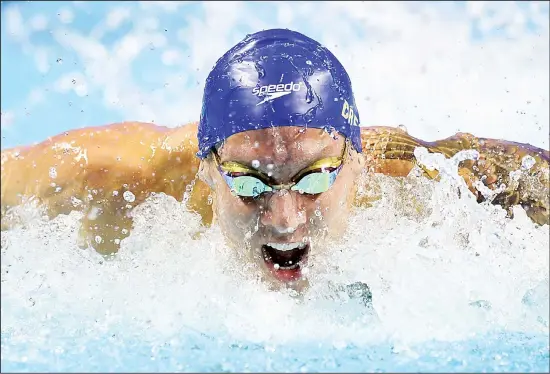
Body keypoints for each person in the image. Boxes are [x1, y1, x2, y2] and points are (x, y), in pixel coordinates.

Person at [1, 29, 549, 287]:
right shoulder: (115, 178)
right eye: (248, 183)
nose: (285, 219)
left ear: (357, 162)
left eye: (313, 180)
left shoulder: (412, 176)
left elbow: (522, 177)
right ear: (207, 167)